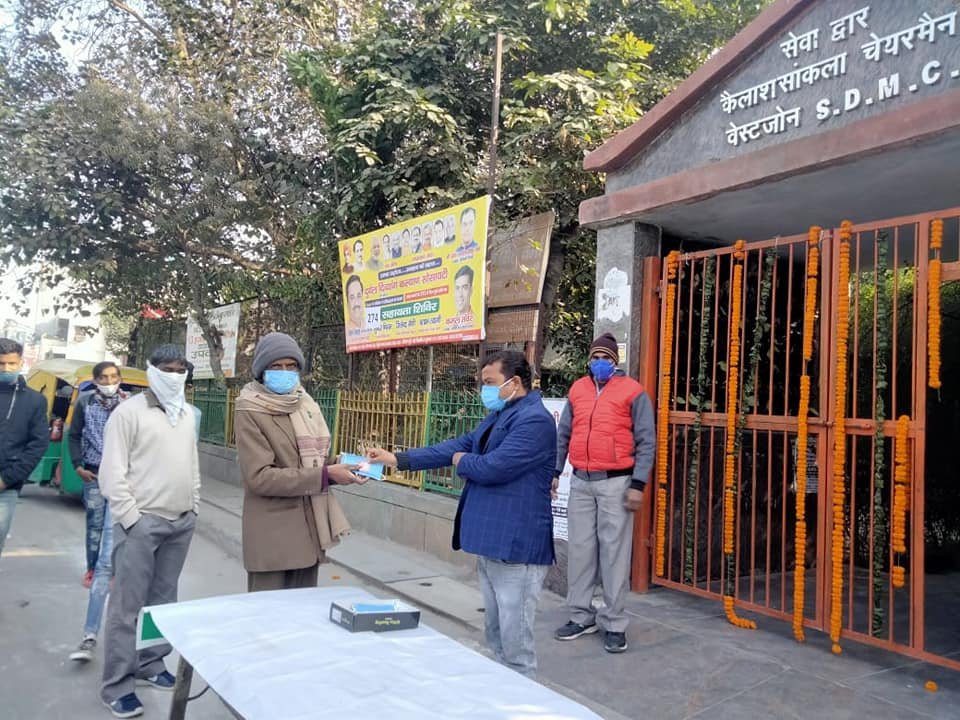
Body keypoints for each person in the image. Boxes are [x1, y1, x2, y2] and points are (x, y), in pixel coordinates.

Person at [368, 351, 555, 679]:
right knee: (496, 634)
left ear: (516, 382)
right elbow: (456, 444)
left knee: (516, 645)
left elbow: (493, 467)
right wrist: (398, 459)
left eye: (490, 383)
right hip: (493, 546)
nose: (485, 390)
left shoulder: (534, 421)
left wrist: (460, 460)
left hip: (516, 547)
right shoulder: (502, 416)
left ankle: (521, 702)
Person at [98, 344, 200, 718]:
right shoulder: (128, 414)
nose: (175, 375)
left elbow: (191, 463)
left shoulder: (186, 414)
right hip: (142, 523)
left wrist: (195, 505)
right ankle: (117, 686)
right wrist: (132, 519)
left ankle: (151, 663)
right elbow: (112, 474)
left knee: (162, 604)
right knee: (128, 607)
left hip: (180, 522)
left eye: (181, 369)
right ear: (152, 371)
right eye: (167, 368)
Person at [234, 333, 366, 591]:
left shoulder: (304, 405)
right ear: (262, 372)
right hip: (272, 541)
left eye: (291, 366)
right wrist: (327, 475)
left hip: (309, 535)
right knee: (269, 624)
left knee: (303, 624)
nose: (285, 372)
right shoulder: (250, 410)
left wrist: (344, 466)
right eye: (276, 366)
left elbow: (314, 461)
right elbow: (259, 478)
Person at [553, 333, 655, 654]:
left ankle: (614, 622)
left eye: (607, 359)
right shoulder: (578, 390)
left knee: (614, 553)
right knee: (581, 551)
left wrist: (638, 484)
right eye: (596, 358)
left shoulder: (633, 392)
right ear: (589, 360)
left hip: (617, 482)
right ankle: (581, 616)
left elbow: (646, 440)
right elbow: (564, 433)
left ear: (616, 362)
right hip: (581, 481)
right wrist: (556, 471)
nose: (601, 363)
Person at [67, 362, 130, 663]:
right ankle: (93, 569)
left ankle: (107, 571)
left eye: (113, 377)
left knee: (113, 535)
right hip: (92, 474)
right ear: (95, 381)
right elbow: (74, 434)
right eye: (103, 378)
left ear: (120, 380)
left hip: (119, 479)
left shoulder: (129, 405)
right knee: (94, 526)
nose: (109, 382)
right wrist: (78, 464)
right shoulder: (84, 403)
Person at [0, 338, 49, 559]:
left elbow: (38, 444)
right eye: (1, 364)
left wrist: (7, 479)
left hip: (5, 486)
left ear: (21, 362)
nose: (6, 369)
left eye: (11, 363)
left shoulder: (34, 401)